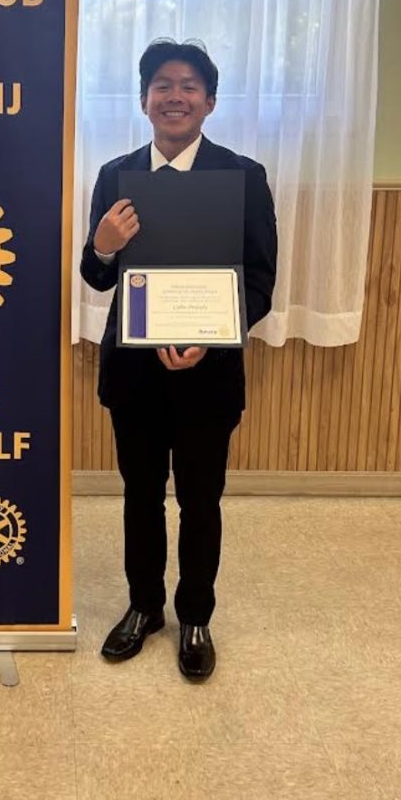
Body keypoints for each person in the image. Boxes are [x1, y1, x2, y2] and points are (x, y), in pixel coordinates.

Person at [80, 38, 277, 679]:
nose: (175, 95)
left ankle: (195, 615)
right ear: (143, 100)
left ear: (209, 102)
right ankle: (143, 607)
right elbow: (96, 276)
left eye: (189, 85)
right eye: (162, 84)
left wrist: (210, 336)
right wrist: (104, 246)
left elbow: (259, 280)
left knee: (200, 498)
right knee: (141, 495)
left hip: (208, 371)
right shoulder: (115, 174)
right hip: (134, 372)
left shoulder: (244, 176)